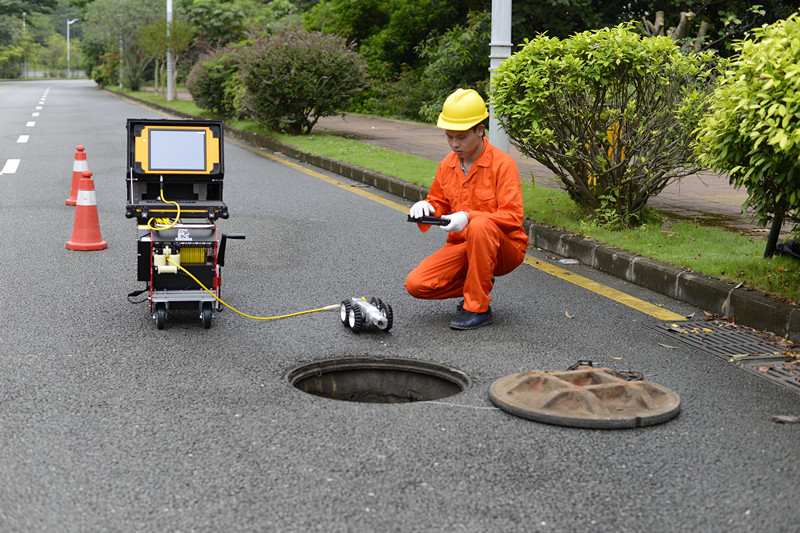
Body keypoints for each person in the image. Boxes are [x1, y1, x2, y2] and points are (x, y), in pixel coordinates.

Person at [405, 88, 529, 330]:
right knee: (416, 284)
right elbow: (439, 200)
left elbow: (513, 217)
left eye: (460, 137)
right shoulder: (447, 164)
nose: (454, 144)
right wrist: (427, 206)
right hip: (462, 245)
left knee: (481, 224)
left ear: (480, 130)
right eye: (449, 137)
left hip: (505, 248)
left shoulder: (503, 164)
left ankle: (477, 308)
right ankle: (478, 281)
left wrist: (469, 216)